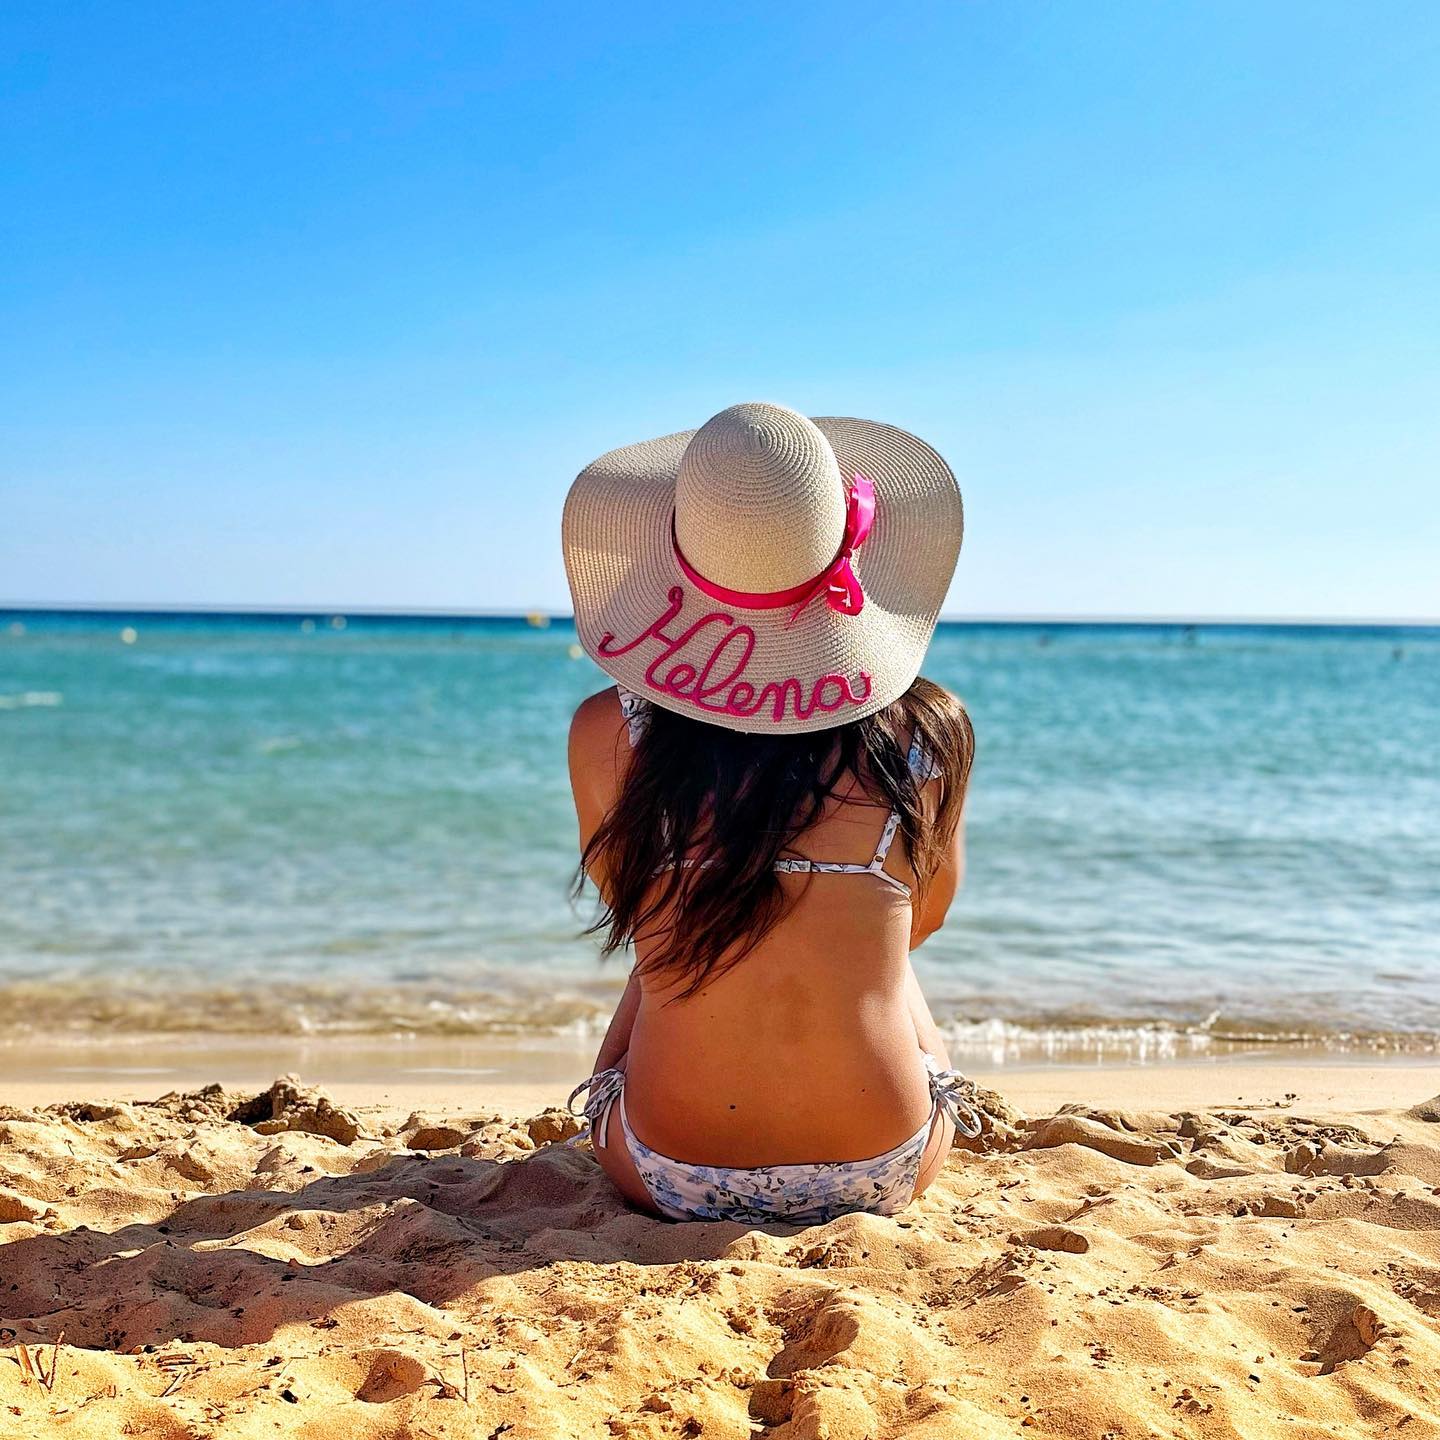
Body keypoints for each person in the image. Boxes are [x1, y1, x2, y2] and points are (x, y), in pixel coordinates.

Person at [561, 401, 980, 1224]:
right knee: (884, 939)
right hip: (884, 1165)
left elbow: (629, 903)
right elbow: (923, 919)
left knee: (674, 935)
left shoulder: (609, 730)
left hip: (667, 1168)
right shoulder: (929, 735)